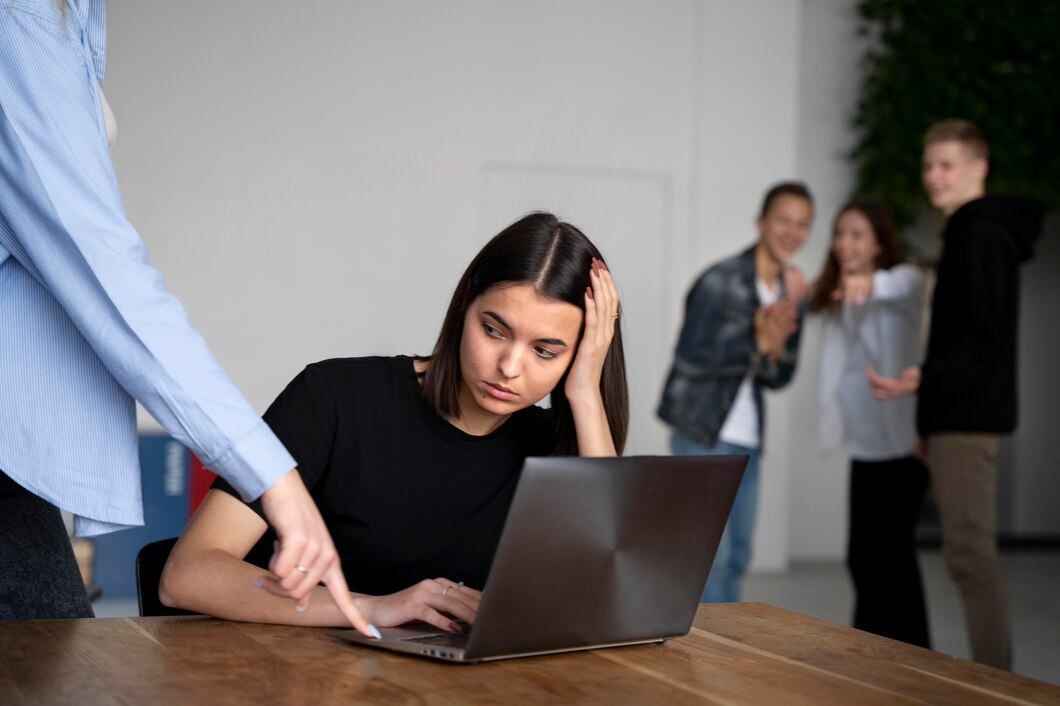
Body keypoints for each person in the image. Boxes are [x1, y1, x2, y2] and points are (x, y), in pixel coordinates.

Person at [0, 0, 374, 633]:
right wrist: (276, 482)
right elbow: (106, 273)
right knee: (52, 659)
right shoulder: (20, 19)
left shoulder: (72, 17)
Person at [158, 212, 629, 630]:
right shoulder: (336, 397)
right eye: (493, 330)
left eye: (546, 351)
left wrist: (586, 392)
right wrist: (371, 608)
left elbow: (610, 596)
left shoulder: (559, 449)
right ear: (463, 308)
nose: (509, 366)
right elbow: (189, 576)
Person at [867, 119, 1043, 669]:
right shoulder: (969, 231)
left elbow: (982, 342)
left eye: (946, 165)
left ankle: (999, 684)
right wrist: (928, 417)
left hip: (967, 420)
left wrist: (924, 380)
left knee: (972, 559)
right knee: (967, 557)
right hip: (953, 419)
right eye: (928, 165)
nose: (933, 177)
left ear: (978, 167)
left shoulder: (982, 234)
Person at [657, 182, 812, 603]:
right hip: (700, 431)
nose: (792, 231)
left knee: (740, 555)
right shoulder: (719, 280)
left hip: (748, 439)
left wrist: (772, 352)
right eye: (784, 219)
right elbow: (690, 357)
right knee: (712, 558)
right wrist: (755, 344)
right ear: (761, 221)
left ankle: (724, 653)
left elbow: (779, 379)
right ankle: (706, 657)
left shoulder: (792, 294)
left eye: (802, 224)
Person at [808, 199, 929, 647]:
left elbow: (902, 282)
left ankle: (914, 657)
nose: (845, 244)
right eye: (840, 233)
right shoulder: (838, 294)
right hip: (866, 446)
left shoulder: (900, 285)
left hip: (905, 446)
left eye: (857, 234)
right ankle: (870, 652)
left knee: (892, 557)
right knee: (861, 557)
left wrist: (868, 284)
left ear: (880, 242)